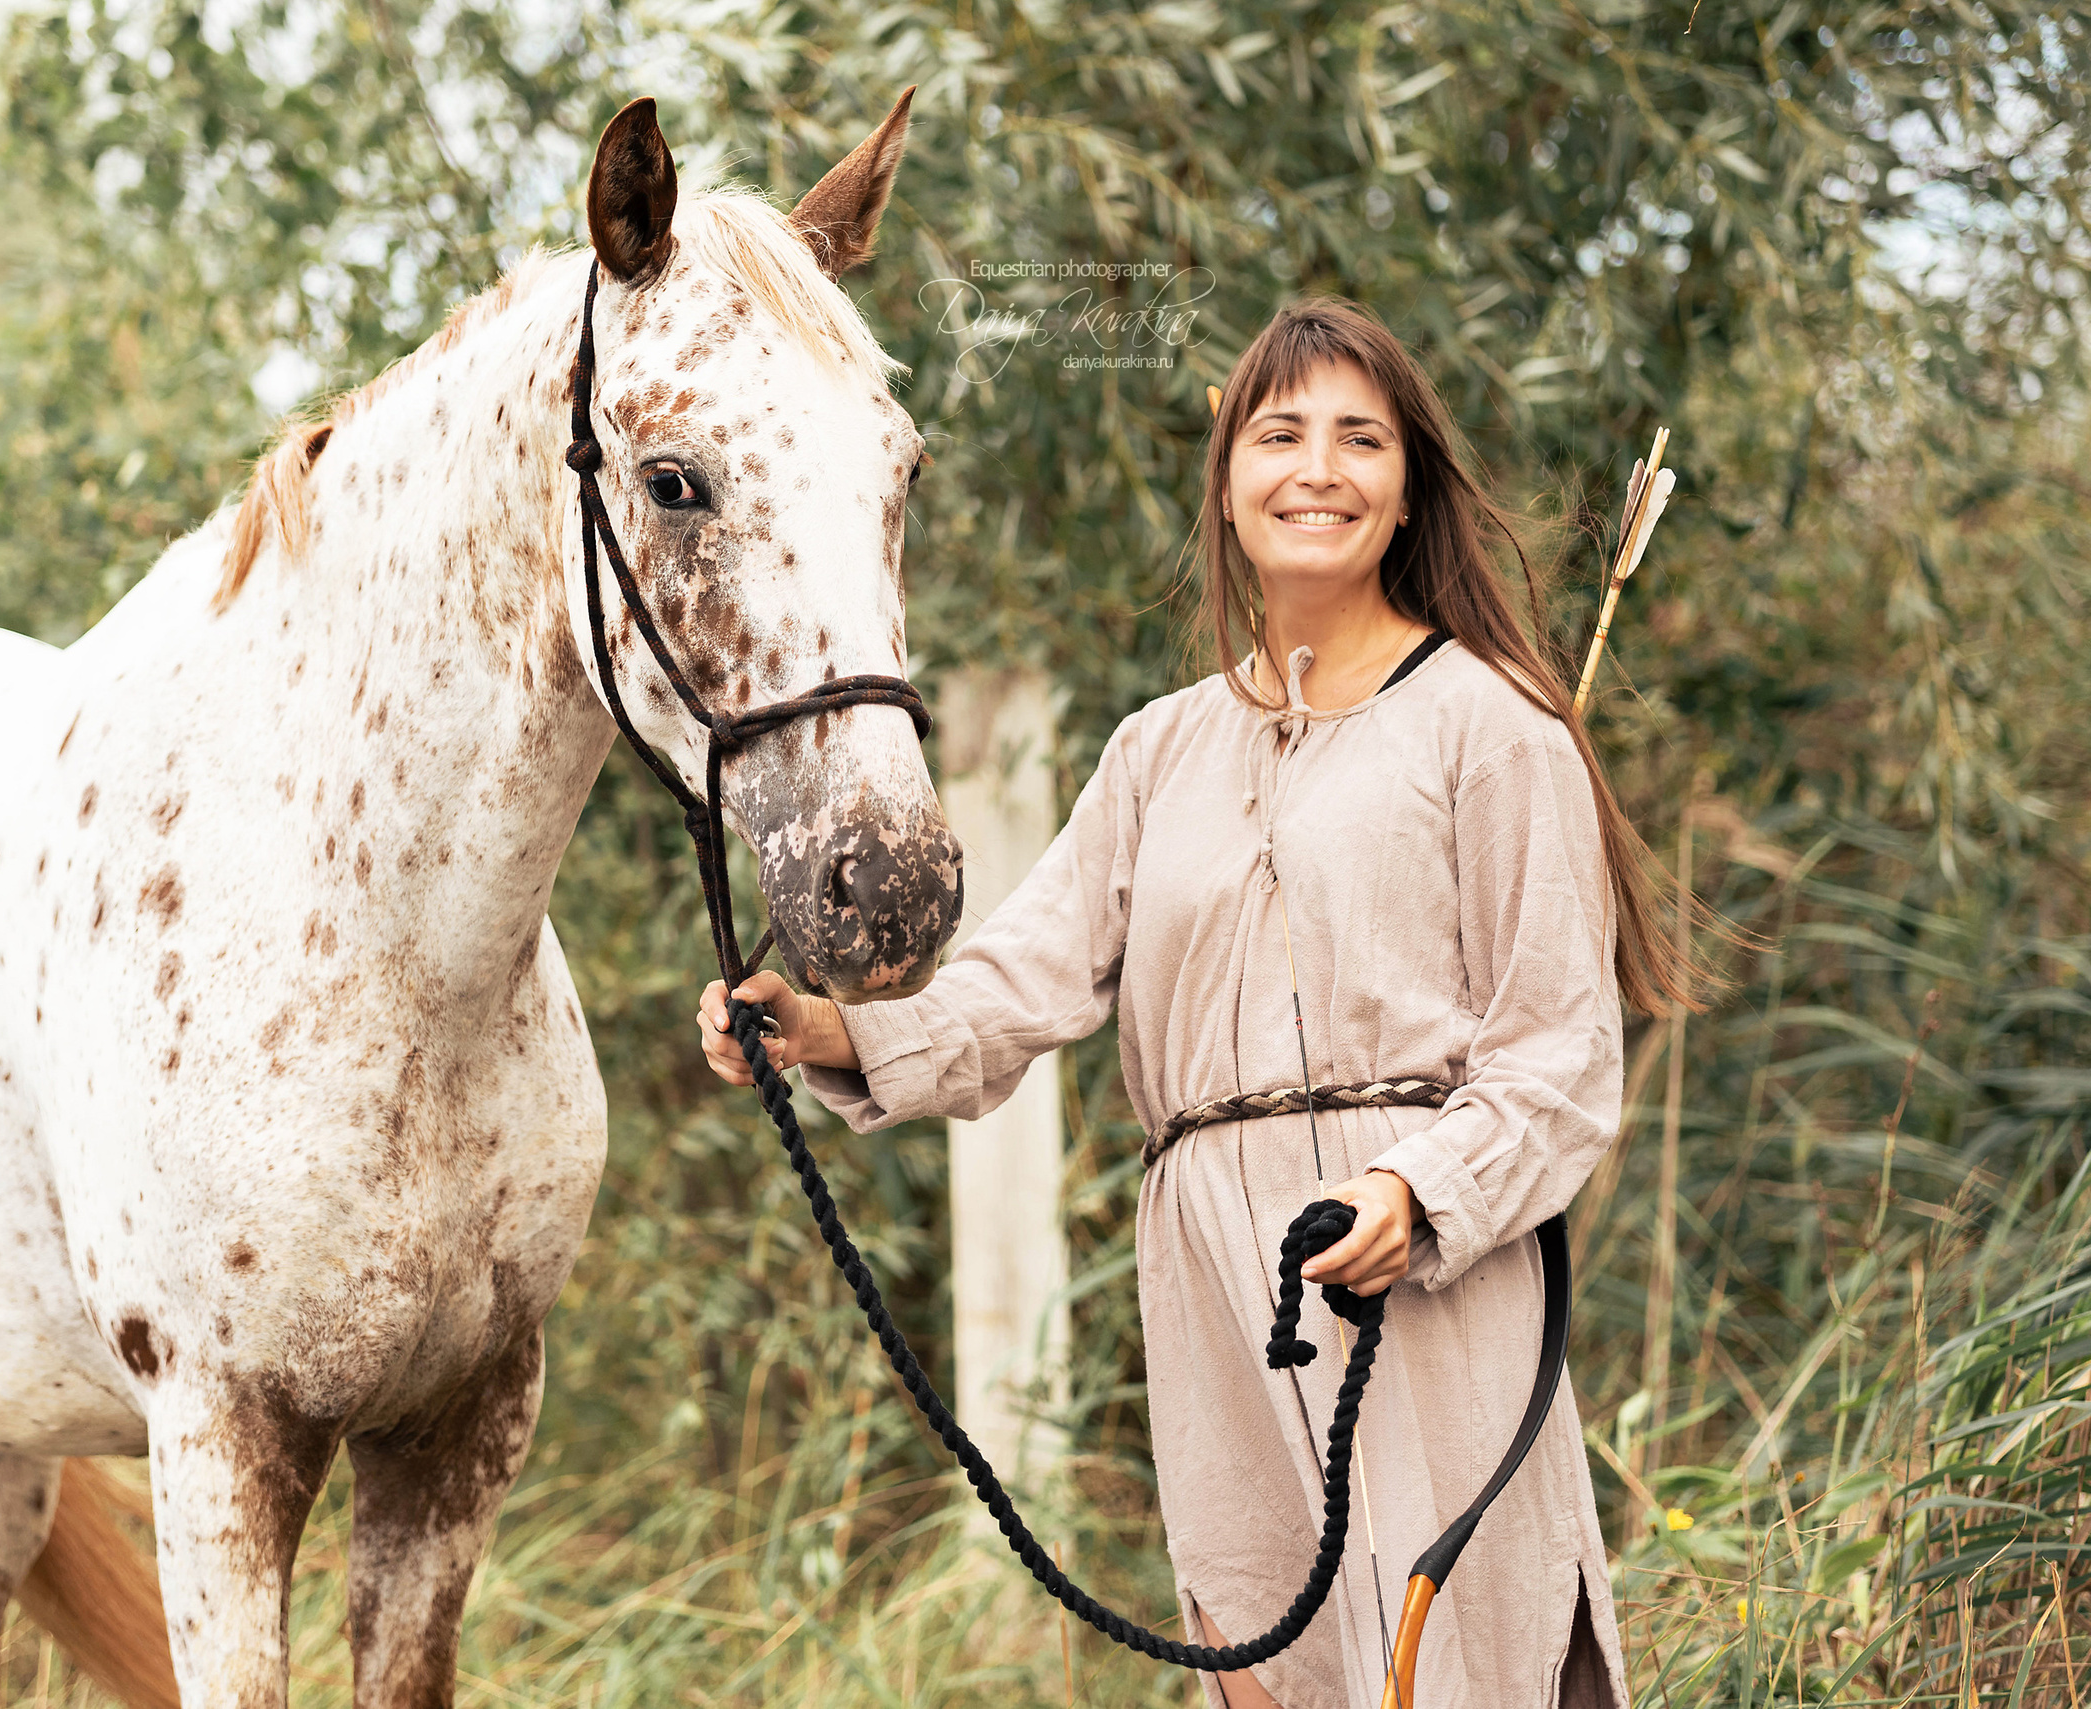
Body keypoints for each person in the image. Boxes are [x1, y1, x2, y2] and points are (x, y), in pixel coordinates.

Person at [697, 297, 1695, 1708]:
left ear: (1407, 487)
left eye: (1361, 438)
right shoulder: (1159, 750)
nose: (1319, 469)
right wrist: (832, 1028)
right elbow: (1021, 976)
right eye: (1281, 434)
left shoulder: (1496, 724)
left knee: (1462, 1660)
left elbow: (1558, 1060)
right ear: (1230, 483)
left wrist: (1420, 1191)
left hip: (1411, 1262)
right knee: (1262, 1660)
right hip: (1216, 1276)